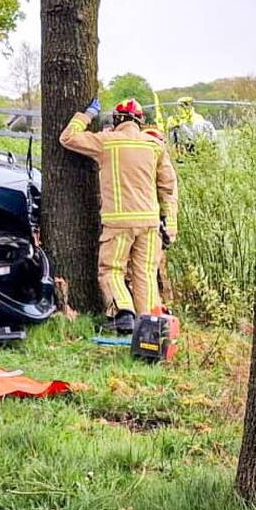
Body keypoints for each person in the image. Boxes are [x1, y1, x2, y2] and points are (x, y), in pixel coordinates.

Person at [60, 98, 179, 334]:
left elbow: (68, 137)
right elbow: (168, 187)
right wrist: (170, 225)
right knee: (144, 273)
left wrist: (87, 114)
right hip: (150, 223)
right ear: (140, 121)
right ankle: (148, 330)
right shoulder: (155, 145)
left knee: (112, 270)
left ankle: (123, 313)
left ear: (116, 119)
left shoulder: (106, 142)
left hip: (118, 222)